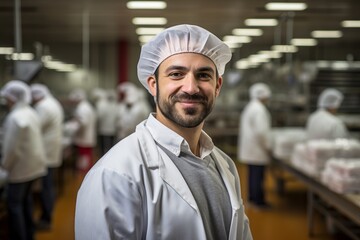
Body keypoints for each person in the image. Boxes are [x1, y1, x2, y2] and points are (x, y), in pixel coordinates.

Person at [75, 24, 253, 240]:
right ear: (153, 85)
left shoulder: (225, 166)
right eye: (176, 74)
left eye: (204, 75)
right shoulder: (115, 174)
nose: (191, 87)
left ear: (218, 86)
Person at [0, 80, 47, 240]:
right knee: (26, 202)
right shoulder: (30, 112)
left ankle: (20, 236)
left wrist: (5, 166)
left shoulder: (15, 118)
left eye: (7, 98)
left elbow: (11, 149)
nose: (6, 101)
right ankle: (29, 233)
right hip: (33, 167)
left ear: (13, 98)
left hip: (21, 169)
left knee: (14, 205)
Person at [30, 83, 65, 230]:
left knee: (46, 186)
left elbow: (34, 126)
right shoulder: (52, 103)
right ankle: (47, 214)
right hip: (51, 149)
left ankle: (46, 218)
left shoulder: (43, 107)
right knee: (48, 185)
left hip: (46, 151)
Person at [238, 83, 272, 209]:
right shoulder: (259, 110)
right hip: (257, 149)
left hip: (251, 149)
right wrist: (268, 146)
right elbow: (261, 132)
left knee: (253, 175)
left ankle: (252, 199)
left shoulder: (251, 107)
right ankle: (259, 202)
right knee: (258, 176)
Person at [66, 89, 97, 173]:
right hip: (86, 136)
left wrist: (72, 127)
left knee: (84, 156)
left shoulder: (82, 108)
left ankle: (84, 171)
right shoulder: (85, 106)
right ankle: (85, 170)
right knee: (85, 155)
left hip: (84, 136)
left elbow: (83, 123)